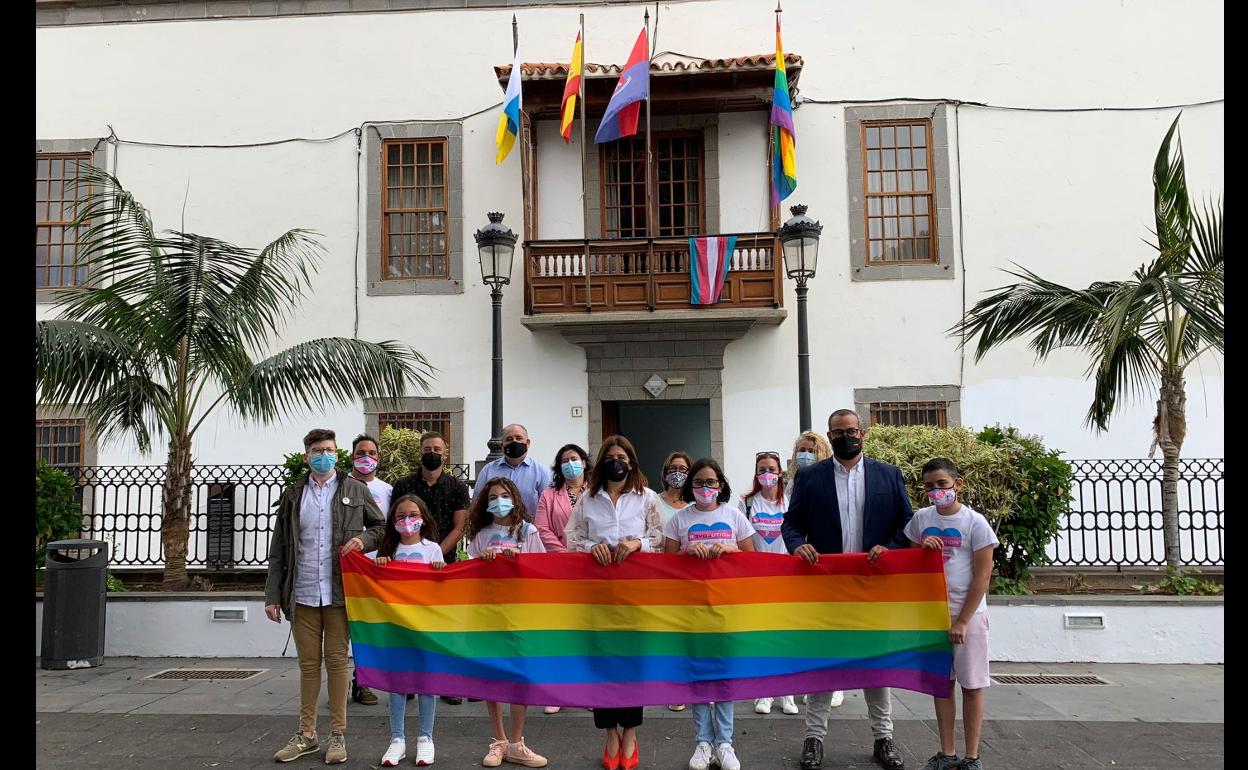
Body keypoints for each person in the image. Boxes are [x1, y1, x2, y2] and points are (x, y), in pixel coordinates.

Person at [782, 409, 914, 770]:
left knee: (876, 662)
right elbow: (791, 523)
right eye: (838, 433)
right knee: (824, 660)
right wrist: (797, 545)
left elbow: (907, 523)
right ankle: (813, 738)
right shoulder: (810, 477)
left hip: (874, 585)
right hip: (827, 585)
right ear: (830, 435)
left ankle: (883, 738)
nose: (846, 437)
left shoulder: (888, 475)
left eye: (851, 431)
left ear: (863, 433)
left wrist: (891, 547)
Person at [265, 428, 385, 764]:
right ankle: (306, 735)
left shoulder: (355, 489)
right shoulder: (293, 495)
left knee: (336, 662)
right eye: (318, 450)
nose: (324, 455)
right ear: (307, 456)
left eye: (330, 449)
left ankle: (337, 735)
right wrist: (272, 595)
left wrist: (363, 541)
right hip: (301, 592)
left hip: (339, 593)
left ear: (338, 453)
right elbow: (279, 549)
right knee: (307, 665)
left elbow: (381, 527)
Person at [565, 435, 664, 769]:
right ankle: (609, 732)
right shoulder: (587, 500)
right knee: (602, 663)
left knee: (631, 664)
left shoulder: (647, 498)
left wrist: (638, 544)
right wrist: (589, 547)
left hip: (635, 594)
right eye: (610, 456)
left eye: (621, 456)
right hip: (597, 594)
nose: (616, 462)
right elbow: (572, 538)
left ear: (632, 462)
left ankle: (631, 733)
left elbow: (660, 539)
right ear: (601, 464)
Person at [664, 458, 756, 770]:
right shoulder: (679, 518)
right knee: (699, 675)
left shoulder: (734, 515)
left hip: (727, 608)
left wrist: (730, 551)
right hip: (692, 608)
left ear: (721, 485)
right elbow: (665, 565)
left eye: (711, 482)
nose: (706, 488)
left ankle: (725, 743)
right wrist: (685, 553)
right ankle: (703, 742)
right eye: (700, 482)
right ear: (691, 486)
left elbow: (751, 559)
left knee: (725, 676)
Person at [906, 459, 998, 770]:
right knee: (941, 684)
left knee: (972, 685)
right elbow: (907, 562)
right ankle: (947, 753)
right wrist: (922, 550)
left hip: (967, 615)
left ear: (957, 484)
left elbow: (982, 577)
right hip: (932, 614)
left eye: (941, 484)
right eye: (929, 486)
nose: (935, 491)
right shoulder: (920, 519)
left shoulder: (975, 523)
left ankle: (972, 757)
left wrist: (962, 621)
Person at [464, 477, 549, 768]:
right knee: (493, 674)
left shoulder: (528, 531)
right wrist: (481, 560)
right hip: (489, 613)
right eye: (491, 497)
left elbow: (542, 569)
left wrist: (521, 559)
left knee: (519, 675)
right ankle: (498, 740)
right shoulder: (480, 534)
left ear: (514, 498)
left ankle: (517, 741)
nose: (498, 501)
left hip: (521, 614)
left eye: (503, 495)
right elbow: (467, 573)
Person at [391, 431, 471, 705]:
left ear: (445, 452)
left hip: (442, 565)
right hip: (408, 567)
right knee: (410, 626)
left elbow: (460, 526)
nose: (432, 452)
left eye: (437, 448)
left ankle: (447, 684)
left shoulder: (458, 486)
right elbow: (396, 519)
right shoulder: (403, 485)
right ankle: (410, 682)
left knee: (442, 627)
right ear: (420, 451)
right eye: (427, 448)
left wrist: (435, 553)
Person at [368, 494, 446, 767]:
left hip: (425, 628)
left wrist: (440, 570)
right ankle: (397, 739)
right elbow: (377, 588)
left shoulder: (432, 549)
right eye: (401, 516)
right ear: (393, 520)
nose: (407, 520)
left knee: (427, 683)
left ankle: (426, 738)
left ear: (423, 517)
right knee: (397, 684)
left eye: (413, 514)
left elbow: (442, 588)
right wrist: (379, 567)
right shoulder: (388, 551)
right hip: (397, 628)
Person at [783, 431, 843, 711]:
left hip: (832, 564)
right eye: (801, 450)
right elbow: (792, 523)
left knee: (836, 628)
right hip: (802, 564)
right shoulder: (795, 483)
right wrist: (797, 545)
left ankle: (838, 685)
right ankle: (813, 681)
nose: (804, 455)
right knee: (811, 628)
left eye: (810, 450)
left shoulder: (830, 479)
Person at [739, 450, 799, 716]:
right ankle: (762, 693)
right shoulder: (747, 503)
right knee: (762, 636)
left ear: (780, 473)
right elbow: (741, 538)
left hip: (787, 577)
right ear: (756, 473)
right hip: (757, 577)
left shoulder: (790, 502)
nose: (767, 475)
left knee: (785, 636)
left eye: (771, 469)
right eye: (762, 469)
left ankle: (787, 693)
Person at [349, 433, 391, 707]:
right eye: (361, 452)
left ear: (378, 457)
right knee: (354, 627)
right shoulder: (342, 486)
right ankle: (357, 681)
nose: (367, 458)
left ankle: (372, 679)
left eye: (372, 453)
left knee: (379, 627)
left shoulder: (387, 490)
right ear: (352, 456)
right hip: (351, 568)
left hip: (379, 566)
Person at [654, 450, 694, 712]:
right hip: (663, 576)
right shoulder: (654, 501)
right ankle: (674, 688)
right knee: (671, 634)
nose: (677, 472)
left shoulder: (696, 505)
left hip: (692, 578)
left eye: (683, 468)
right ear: (665, 472)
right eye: (673, 467)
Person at [473, 423, 552, 517]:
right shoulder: (488, 470)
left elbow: (549, 506)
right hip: (495, 528)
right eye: (509, 439)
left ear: (528, 443)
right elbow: (477, 504)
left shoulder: (541, 472)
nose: (514, 442)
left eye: (519, 438)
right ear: (502, 445)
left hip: (529, 529)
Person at [535, 443, 590, 553]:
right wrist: (562, 552)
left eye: (574, 459)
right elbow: (542, 528)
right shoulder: (548, 495)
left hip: (593, 555)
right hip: (561, 556)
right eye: (565, 461)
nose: (570, 463)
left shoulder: (598, 492)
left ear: (583, 463)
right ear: (560, 468)